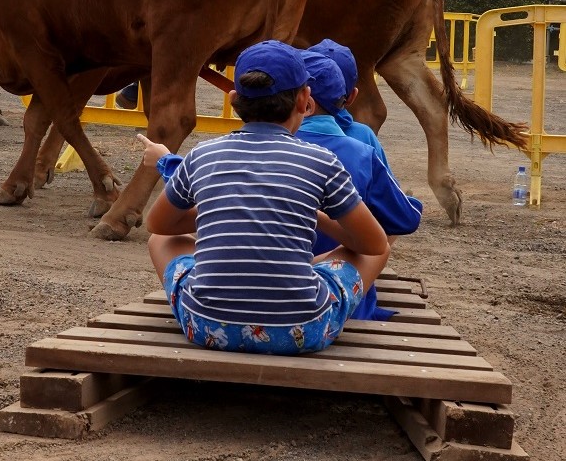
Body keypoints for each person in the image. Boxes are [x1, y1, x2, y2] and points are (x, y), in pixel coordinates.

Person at [142, 39, 390, 355]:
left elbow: (158, 225)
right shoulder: (323, 162)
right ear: (305, 100)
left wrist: (218, 208)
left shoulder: (202, 155)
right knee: (373, 251)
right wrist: (314, 215)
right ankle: (297, 272)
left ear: (233, 100)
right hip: (303, 330)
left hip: (206, 326)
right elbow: (375, 245)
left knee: (159, 242)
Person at [296, 50, 422, 320]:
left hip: (229, 305)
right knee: (374, 239)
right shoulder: (360, 147)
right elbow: (404, 219)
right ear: (350, 96)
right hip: (329, 307)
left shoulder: (224, 151)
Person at [307, 38, 389, 166]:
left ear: (302, 94)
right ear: (352, 96)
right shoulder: (364, 137)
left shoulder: (286, 134)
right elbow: (386, 184)